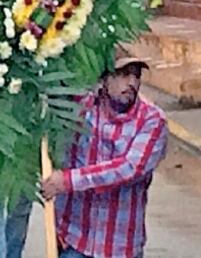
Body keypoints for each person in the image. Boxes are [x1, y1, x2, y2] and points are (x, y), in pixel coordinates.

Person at [41, 50, 167, 258]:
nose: (132, 82)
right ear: (105, 79)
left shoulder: (152, 121)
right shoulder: (82, 108)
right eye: (123, 74)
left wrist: (68, 180)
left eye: (136, 75)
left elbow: (129, 168)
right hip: (73, 239)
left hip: (119, 247)